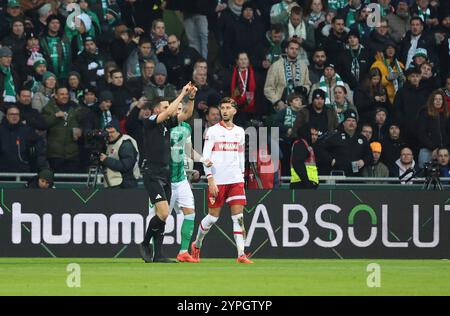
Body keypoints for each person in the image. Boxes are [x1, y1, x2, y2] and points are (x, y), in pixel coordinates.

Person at [191, 97, 253, 264]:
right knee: (212, 218)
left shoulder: (240, 131)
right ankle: (197, 244)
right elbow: (206, 157)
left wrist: (241, 176)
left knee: (238, 217)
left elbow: (240, 155)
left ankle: (241, 254)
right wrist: (210, 179)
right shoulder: (212, 131)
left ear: (234, 110)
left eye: (228, 108)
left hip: (236, 180)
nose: (224, 111)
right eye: (222, 108)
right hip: (218, 181)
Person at [139, 82, 196, 263]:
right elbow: (171, 111)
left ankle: (159, 254)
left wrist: (191, 98)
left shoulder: (167, 125)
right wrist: (182, 93)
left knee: (163, 217)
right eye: (165, 107)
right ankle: (145, 242)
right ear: (157, 110)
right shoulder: (149, 122)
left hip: (166, 174)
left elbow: (186, 113)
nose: (170, 110)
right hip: (152, 173)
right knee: (163, 213)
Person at [169, 102, 212, 263]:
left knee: (190, 213)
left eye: (182, 110)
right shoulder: (162, 127)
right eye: (176, 109)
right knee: (159, 216)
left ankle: (183, 252)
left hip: (180, 179)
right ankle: (152, 250)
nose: (179, 112)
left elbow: (189, 151)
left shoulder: (186, 128)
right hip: (164, 179)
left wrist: (202, 159)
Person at [41, 86, 84, 173]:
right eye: (62, 94)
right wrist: (55, 116)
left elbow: (84, 122)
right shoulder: (48, 108)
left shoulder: (76, 108)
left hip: (73, 152)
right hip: (55, 153)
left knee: (71, 180)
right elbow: (43, 124)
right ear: (56, 95)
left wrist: (81, 131)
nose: (65, 96)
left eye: (66, 94)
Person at [321, 109, 373, 176]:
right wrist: (331, 160)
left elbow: (369, 155)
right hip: (339, 176)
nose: (351, 123)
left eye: (354, 121)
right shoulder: (335, 136)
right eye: (349, 120)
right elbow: (321, 149)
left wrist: (363, 161)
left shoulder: (362, 139)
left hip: (356, 177)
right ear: (343, 123)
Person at [264, 39, 311, 111]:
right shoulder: (276, 65)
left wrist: (304, 89)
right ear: (286, 50)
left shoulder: (303, 66)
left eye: (296, 49)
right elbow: (268, 88)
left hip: (299, 107)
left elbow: (307, 84)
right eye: (292, 48)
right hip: (281, 107)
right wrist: (277, 102)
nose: (294, 51)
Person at [0, 105, 46, 172]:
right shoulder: (1, 130)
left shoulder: (27, 130)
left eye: (17, 114)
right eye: (12, 114)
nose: (14, 116)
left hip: (23, 169)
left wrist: (32, 151)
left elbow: (39, 142)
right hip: (4, 169)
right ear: (7, 116)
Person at [99, 119, 140, 188]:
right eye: (107, 132)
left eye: (112, 132)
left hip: (126, 184)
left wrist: (106, 160)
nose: (109, 135)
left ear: (118, 131)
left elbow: (126, 166)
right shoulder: (108, 143)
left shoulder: (126, 144)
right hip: (114, 183)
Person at [417, 90, 450, 168]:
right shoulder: (424, 112)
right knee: (424, 173)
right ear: (432, 101)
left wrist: (443, 148)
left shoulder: (447, 114)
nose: (438, 101)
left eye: (440, 99)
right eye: (435, 99)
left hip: (445, 149)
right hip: (427, 149)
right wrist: (433, 147)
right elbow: (421, 133)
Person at [290, 122, 319, 189]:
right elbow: (297, 162)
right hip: (301, 185)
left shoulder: (308, 146)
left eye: (316, 135)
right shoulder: (301, 144)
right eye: (312, 134)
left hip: (303, 183)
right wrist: (307, 183)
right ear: (306, 133)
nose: (314, 137)